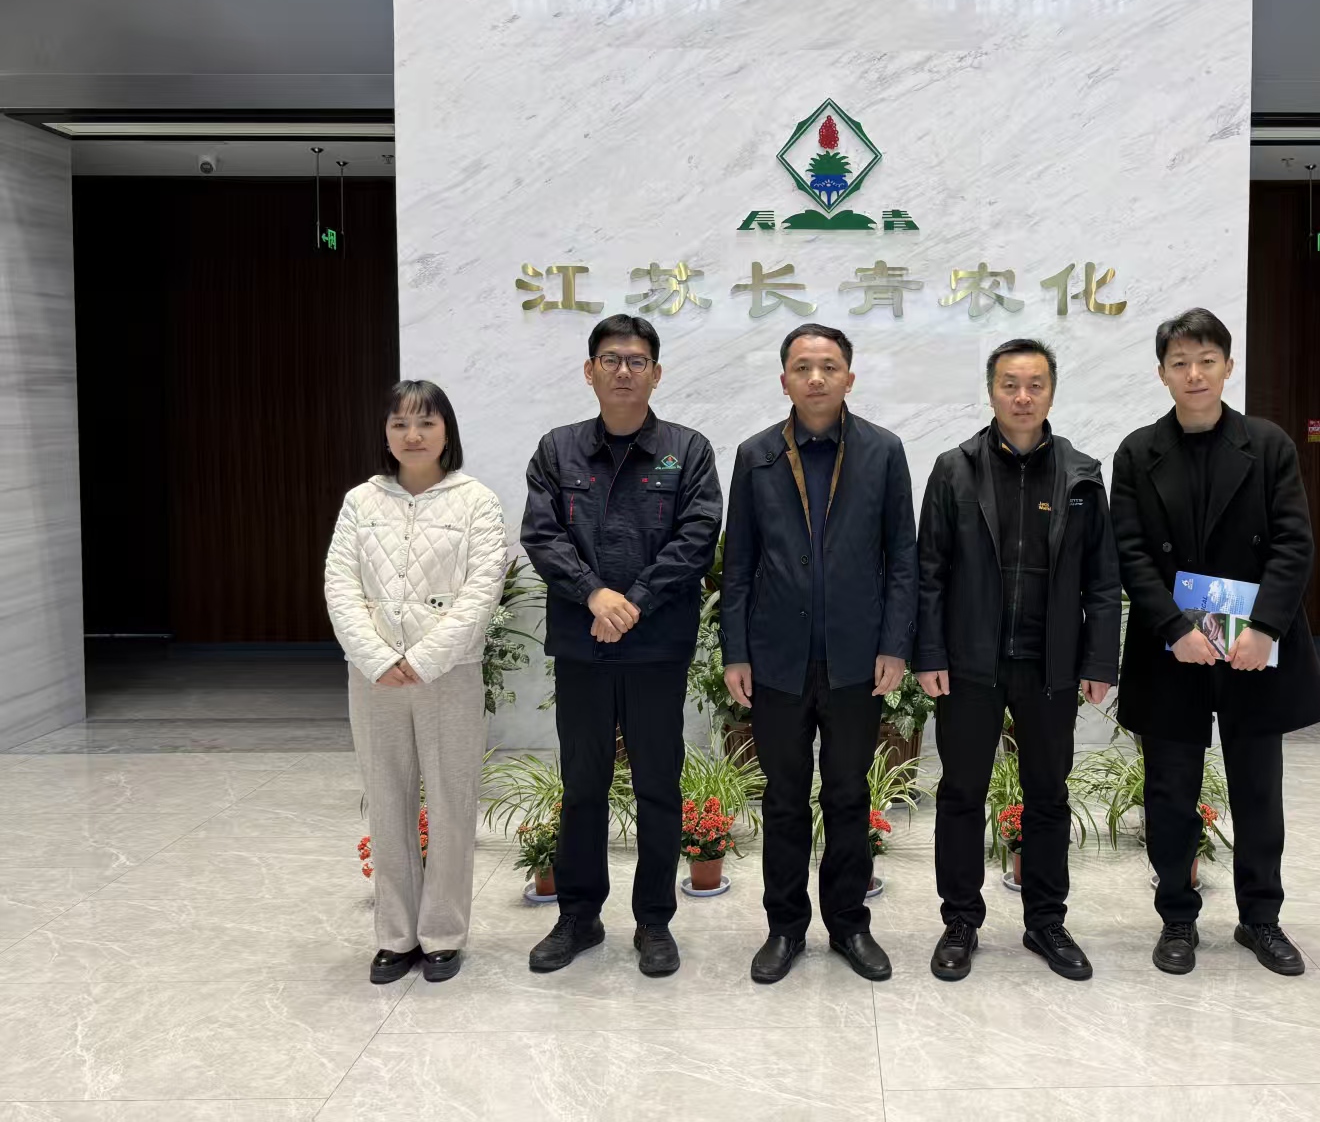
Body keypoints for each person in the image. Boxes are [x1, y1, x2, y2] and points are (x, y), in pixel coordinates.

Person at [1109, 308, 1320, 978]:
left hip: (1251, 649)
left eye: (1207, 360)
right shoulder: (1137, 452)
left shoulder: (1268, 445)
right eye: (1180, 363)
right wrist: (1175, 628)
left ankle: (1261, 918)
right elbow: (1130, 551)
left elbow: (1293, 543)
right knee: (1169, 792)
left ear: (1228, 366)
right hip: (1172, 650)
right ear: (1161, 374)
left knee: (1258, 789)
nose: (1194, 374)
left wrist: (1265, 628)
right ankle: (1177, 917)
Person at [520, 315, 722, 979]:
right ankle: (579, 916)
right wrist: (593, 595)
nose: (624, 371)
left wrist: (630, 600)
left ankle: (654, 921)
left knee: (659, 785)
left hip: (655, 648)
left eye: (637, 361)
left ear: (656, 373)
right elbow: (542, 534)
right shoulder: (557, 450)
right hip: (584, 647)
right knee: (583, 785)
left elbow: (697, 537)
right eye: (610, 359)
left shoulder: (688, 450)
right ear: (590, 371)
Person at [915, 338, 1122, 982]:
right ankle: (960, 919)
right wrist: (930, 652)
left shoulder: (1081, 474)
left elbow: (1103, 580)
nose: (1022, 397)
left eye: (1035, 384)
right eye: (1010, 384)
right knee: (960, 792)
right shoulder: (954, 469)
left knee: (1048, 794)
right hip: (969, 663)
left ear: (1052, 393)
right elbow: (929, 573)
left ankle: (1046, 921)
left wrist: (1099, 660)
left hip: (1049, 664)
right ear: (991, 392)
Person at [721, 323, 918, 984]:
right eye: (802, 366)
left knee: (848, 794)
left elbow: (902, 558)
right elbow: (738, 563)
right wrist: (735, 651)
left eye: (828, 366)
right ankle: (784, 927)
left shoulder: (883, 451)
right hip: (776, 660)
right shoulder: (755, 455)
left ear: (849, 378)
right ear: (784, 380)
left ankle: (849, 924)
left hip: (856, 662)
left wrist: (895, 644)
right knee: (782, 798)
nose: (815, 377)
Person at [325, 379, 508, 985]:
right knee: (387, 800)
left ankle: (443, 935)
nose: (413, 435)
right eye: (400, 423)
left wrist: (425, 658)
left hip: (449, 675)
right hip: (373, 677)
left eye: (426, 423)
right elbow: (339, 585)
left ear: (446, 431)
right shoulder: (361, 501)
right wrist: (375, 656)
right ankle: (395, 936)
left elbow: (483, 588)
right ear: (385, 434)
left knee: (452, 801)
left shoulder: (476, 501)